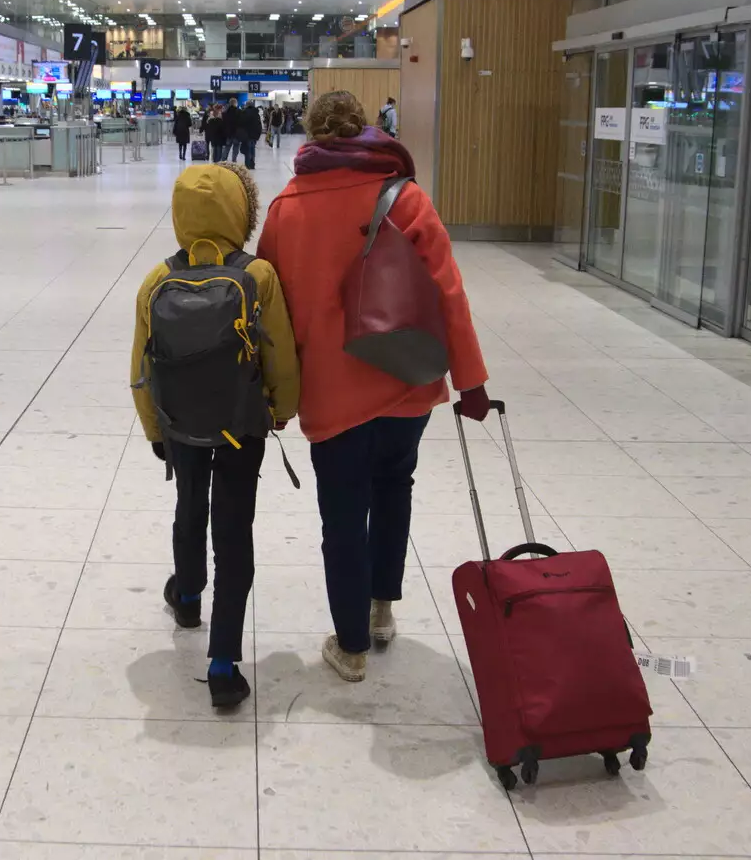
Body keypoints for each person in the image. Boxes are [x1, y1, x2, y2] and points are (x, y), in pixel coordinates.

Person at [257, 91, 489, 684]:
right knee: (394, 486)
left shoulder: (287, 208)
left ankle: (352, 645)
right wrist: (471, 381)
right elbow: (448, 293)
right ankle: (382, 609)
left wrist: (275, 395)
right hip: (405, 378)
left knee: (342, 513)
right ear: (363, 130)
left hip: (332, 391)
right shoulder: (405, 196)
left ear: (310, 135)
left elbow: (272, 316)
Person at [131, 163, 300, 708]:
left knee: (188, 506)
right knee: (234, 528)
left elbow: (141, 368)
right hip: (240, 428)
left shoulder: (158, 280)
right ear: (240, 211)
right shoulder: (259, 276)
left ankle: (186, 595)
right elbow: (280, 356)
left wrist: (156, 430)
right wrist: (281, 411)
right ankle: (223, 662)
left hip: (182, 425)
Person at [239, 102, 263, 169]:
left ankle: (247, 165)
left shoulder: (244, 113)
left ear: (247, 105)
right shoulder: (256, 113)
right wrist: (258, 135)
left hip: (247, 135)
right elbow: (259, 125)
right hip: (254, 135)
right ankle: (252, 164)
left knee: (248, 150)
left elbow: (242, 124)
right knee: (252, 149)